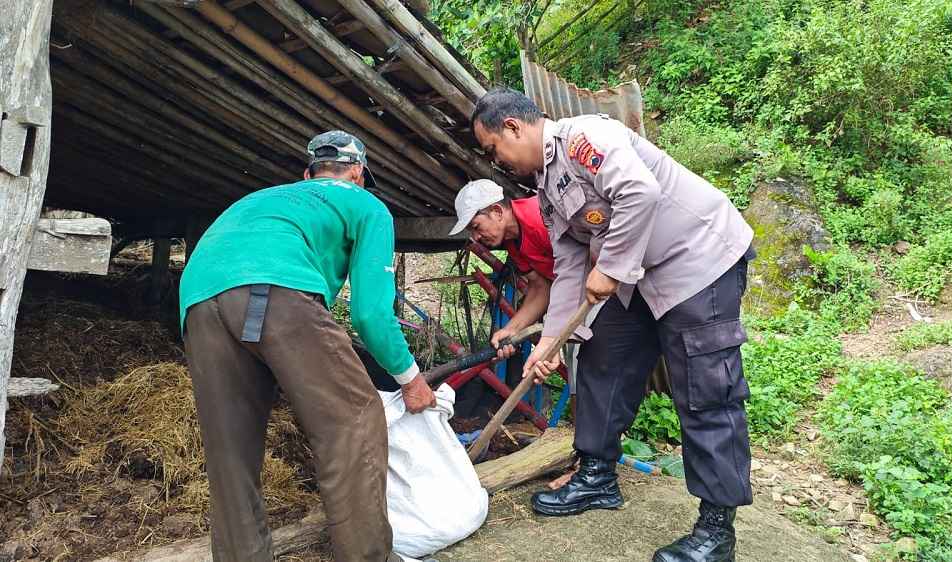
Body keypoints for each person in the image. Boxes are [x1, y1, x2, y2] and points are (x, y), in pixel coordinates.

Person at [470, 88, 755, 562]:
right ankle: (597, 476)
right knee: (605, 358)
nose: (496, 161)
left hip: (698, 262)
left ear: (514, 128)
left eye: (492, 148)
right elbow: (568, 262)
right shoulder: (545, 187)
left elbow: (639, 193)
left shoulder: (586, 136)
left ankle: (716, 529)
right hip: (640, 277)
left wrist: (611, 266)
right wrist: (552, 341)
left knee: (706, 391)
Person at [178, 131, 436, 562]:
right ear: (358, 173)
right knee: (353, 419)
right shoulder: (365, 203)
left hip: (198, 297)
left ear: (308, 173)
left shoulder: (266, 198)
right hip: (277, 289)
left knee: (230, 447)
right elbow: (371, 314)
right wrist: (410, 378)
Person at [448, 179, 554, 359]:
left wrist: (554, 329)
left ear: (497, 212)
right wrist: (511, 330)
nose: (475, 237)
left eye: (476, 227)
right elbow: (540, 287)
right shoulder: (513, 244)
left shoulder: (540, 217)